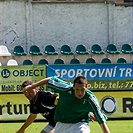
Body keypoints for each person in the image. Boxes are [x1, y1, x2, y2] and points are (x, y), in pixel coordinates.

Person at [23, 76, 110, 133]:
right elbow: (50, 80)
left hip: (80, 125)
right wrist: (32, 86)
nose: (80, 93)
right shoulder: (65, 88)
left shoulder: (91, 98)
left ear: (86, 87)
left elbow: (102, 122)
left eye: (82, 90)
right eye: (77, 90)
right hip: (61, 125)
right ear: (73, 87)